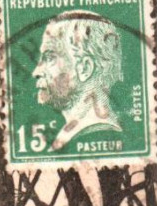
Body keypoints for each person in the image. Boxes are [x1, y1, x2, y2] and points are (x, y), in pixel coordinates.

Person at [33, 11, 124, 154]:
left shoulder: (93, 135)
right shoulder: (71, 134)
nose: (36, 72)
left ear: (85, 68)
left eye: (49, 57)